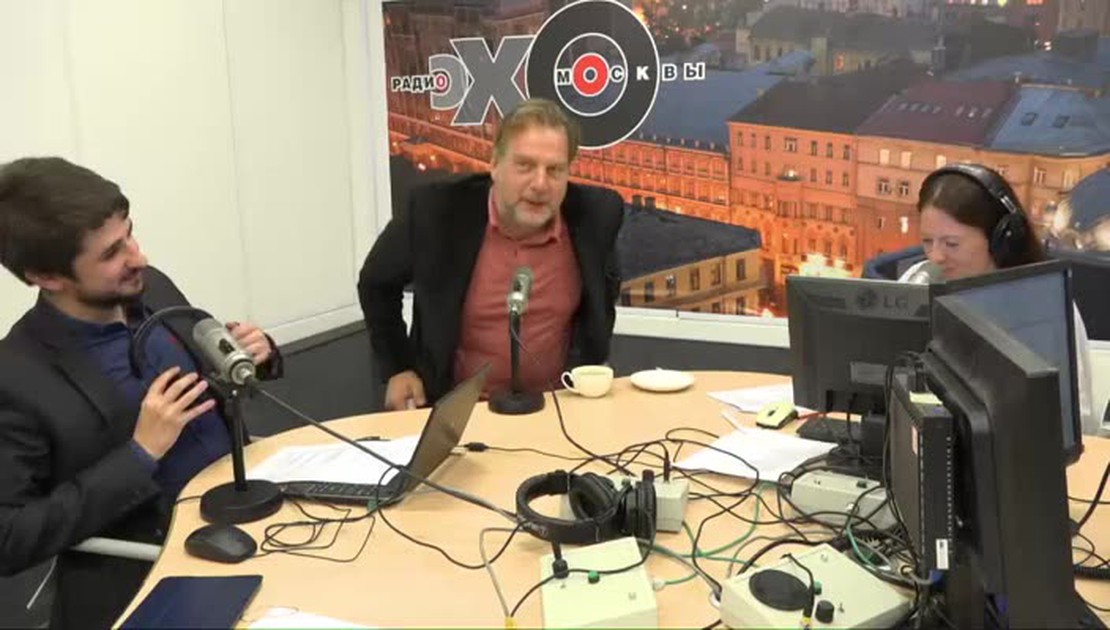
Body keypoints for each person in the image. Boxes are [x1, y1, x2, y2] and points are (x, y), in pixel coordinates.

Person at [0, 157, 283, 629]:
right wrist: (140, 454)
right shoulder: (16, 376)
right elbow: (9, 539)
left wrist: (255, 355)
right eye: (112, 253)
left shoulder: (154, 289)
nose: (139, 258)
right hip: (151, 577)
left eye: (130, 234)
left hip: (255, 529)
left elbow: (213, 387)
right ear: (47, 277)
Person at [358, 98, 623, 410]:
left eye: (554, 170)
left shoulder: (596, 217)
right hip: (460, 412)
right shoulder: (437, 211)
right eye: (525, 166)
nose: (541, 184)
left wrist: (590, 367)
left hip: (557, 409)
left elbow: (603, 295)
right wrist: (398, 367)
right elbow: (375, 283)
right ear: (495, 164)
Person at [900, 163, 1098, 435]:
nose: (936, 256)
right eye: (927, 241)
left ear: (1001, 239)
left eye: (951, 244)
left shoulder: (1045, 305)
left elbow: (1077, 422)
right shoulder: (919, 279)